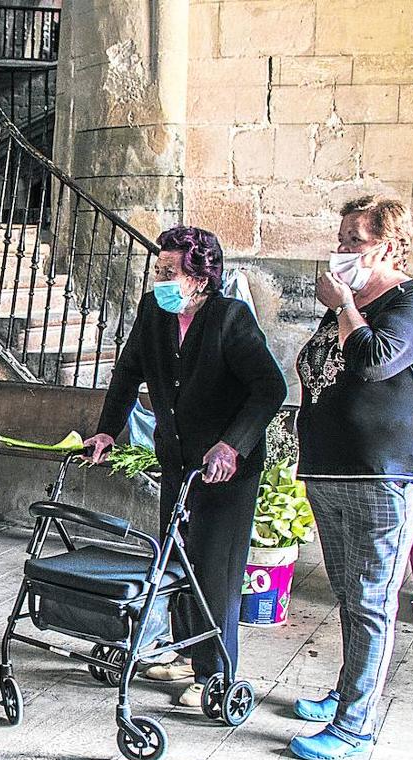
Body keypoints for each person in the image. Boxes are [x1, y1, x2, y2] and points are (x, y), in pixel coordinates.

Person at [82, 226, 285, 707]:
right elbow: (129, 370)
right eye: (158, 271)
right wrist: (109, 429)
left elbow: (269, 389)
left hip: (227, 470)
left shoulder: (229, 319)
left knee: (215, 569)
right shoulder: (155, 313)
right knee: (178, 561)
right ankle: (183, 655)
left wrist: (231, 445)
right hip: (177, 460)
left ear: (200, 276)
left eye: (169, 272)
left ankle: (215, 674)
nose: (160, 280)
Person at [289, 196, 413, 760]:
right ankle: (346, 695)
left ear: (387, 243)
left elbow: (376, 360)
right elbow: (315, 369)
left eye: (354, 239)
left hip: (388, 474)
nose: (342, 250)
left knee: (372, 597)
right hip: (333, 469)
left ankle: (355, 726)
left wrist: (347, 305)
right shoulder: (344, 309)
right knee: (348, 594)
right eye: (341, 238)